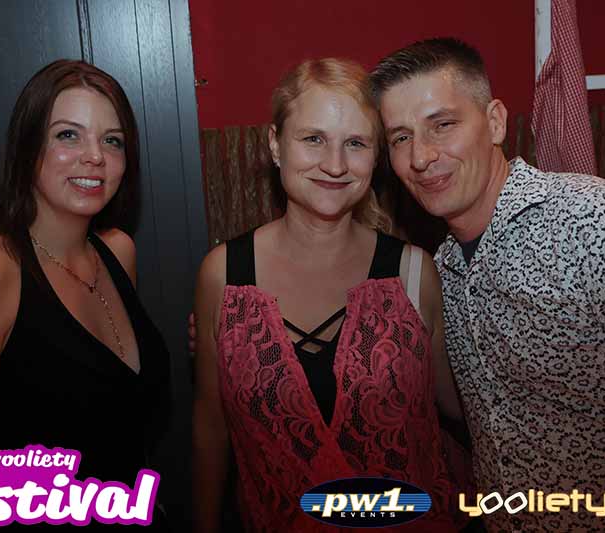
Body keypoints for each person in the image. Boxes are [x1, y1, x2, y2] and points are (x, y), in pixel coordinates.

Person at [369, 37, 605, 531]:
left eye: (443, 124)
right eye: (401, 138)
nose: (421, 156)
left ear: (495, 122)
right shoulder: (441, 269)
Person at [192, 58, 468, 532]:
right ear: (276, 144)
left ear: (375, 158)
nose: (335, 165)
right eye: (313, 139)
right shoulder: (225, 276)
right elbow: (210, 431)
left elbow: (461, 405)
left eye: (355, 143)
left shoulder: (412, 272)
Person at [0, 60, 171, 531]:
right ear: (27, 147)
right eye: (68, 135)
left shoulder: (118, 252)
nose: (95, 157)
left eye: (112, 141)